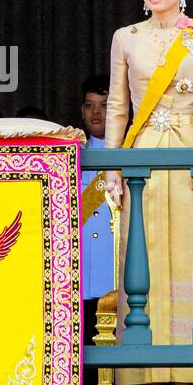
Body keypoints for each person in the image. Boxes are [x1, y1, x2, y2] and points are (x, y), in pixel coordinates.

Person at [104, 0, 193, 385]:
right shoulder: (126, 37)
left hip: (189, 153)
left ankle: (189, 375)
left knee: (189, 256)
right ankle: (142, 374)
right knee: (142, 255)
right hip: (140, 156)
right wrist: (113, 167)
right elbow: (117, 107)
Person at [78, 75, 114, 363]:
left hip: (114, 276)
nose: (96, 112)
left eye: (104, 105)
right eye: (90, 105)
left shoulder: (130, 154)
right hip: (81, 272)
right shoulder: (72, 154)